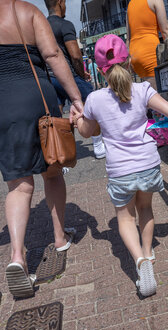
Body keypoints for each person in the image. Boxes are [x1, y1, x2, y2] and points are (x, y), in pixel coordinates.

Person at [74, 34, 168, 297]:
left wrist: (77, 119)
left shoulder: (95, 99)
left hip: (120, 171)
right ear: (129, 61)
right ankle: (148, 252)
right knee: (145, 208)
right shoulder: (143, 90)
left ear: (100, 69)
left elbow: (87, 132)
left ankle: (139, 261)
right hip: (147, 164)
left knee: (125, 217)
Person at [0, 0, 84, 298]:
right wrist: (76, 99)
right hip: (36, 98)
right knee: (52, 171)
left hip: (3, 108)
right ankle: (60, 238)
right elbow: (52, 54)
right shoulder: (27, 11)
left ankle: (17, 258)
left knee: (18, 187)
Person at [44, 0, 105, 159]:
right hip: (69, 76)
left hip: (50, 78)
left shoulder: (41, 25)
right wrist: (82, 74)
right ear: (60, 2)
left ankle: (62, 154)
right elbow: (76, 56)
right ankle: (98, 145)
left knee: (56, 118)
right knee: (90, 107)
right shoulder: (65, 25)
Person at [126, 0, 168, 89]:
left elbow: (128, 38)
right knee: (157, 95)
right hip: (150, 52)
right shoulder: (156, 1)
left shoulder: (130, 4)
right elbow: (165, 30)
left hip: (135, 55)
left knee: (146, 94)